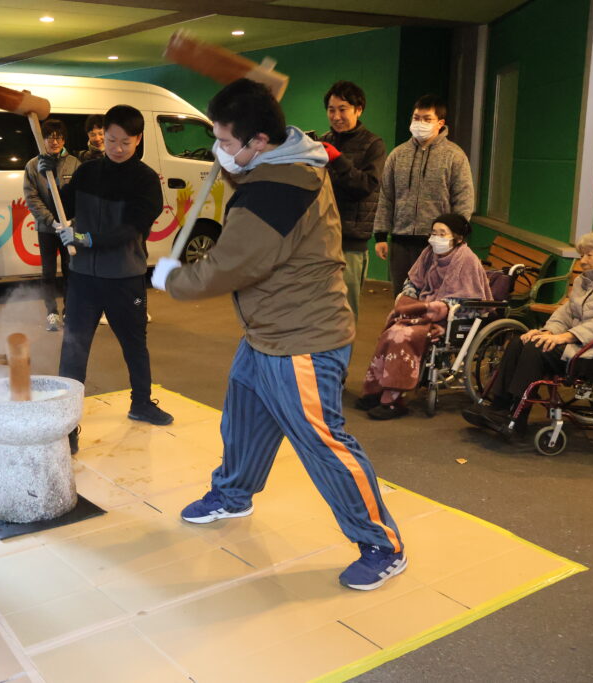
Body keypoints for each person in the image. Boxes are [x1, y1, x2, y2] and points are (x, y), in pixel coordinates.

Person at [152, 79, 405, 591]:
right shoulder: (289, 155)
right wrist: (237, 145)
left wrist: (173, 280)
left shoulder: (281, 188)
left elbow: (232, 264)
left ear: (259, 141)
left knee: (322, 442)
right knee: (244, 420)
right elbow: (245, 182)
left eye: (225, 141)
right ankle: (234, 494)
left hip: (303, 337)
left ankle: (382, 543)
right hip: (266, 330)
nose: (220, 150)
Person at [44, 104, 172, 454]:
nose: (116, 148)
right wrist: (48, 177)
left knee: (134, 343)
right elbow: (61, 206)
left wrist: (89, 239)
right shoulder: (87, 172)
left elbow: (133, 229)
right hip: (83, 278)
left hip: (125, 277)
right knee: (74, 348)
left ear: (138, 139)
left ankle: (141, 402)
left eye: (124, 142)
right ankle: (67, 425)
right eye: (111, 140)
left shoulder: (145, 180)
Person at [463, 229, 593, 436]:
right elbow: (566, 312)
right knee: (521, 341)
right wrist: (547, 331)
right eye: (581, 255)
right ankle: (498, 406)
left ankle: (517, 417)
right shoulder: (585, 279)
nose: (583, 261)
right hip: (584, 341)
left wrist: (568, 336)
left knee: (537, 349)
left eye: (589, 254)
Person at [356, 214, 492, 420]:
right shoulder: (429, 253)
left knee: (401, 336)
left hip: (452, 319)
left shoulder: (467, 259)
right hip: (426, 310)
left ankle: (393, 399)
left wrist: (437, 307)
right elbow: (413, 281)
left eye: (442, 234)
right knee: (390, 333)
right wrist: (409, 298)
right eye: (434, 233)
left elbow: (469, 299)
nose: (435, 238)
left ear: (458, 238)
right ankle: (377, 389)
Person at [373, 94, 474, 298]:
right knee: (402, 297)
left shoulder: (455, 156)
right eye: (416, 118)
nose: (420, 123)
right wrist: (381, 235)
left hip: (437, 242)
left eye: (427, 119)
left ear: (440, 123)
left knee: (432, 298)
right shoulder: (397, 155)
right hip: (401, 241)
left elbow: (464, 199)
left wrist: (455, 236)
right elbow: (386, 197)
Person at [320, 81, 386, 319]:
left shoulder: (373, 145)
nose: (336, 116)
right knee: (318, 311)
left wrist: (338, 159)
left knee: (344, 313)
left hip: (350, 243)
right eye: (331, 110)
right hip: (320, 238)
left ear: (358, 110)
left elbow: (366, 186)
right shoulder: (324, 140)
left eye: (343, 109)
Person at [23, 118, 80, 332]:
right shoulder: (33, 165)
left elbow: (80, 196)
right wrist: (51, 221)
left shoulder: (74, 163)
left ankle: (69, 310)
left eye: (58, 137)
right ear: (42, 140)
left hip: (69, 228)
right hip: (46, 229)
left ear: (64, 140)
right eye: (49, 137)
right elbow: (32, 198)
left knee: (70, 270)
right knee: (48, 272)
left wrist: (70, 222)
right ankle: (52, 313)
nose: (54, 142)